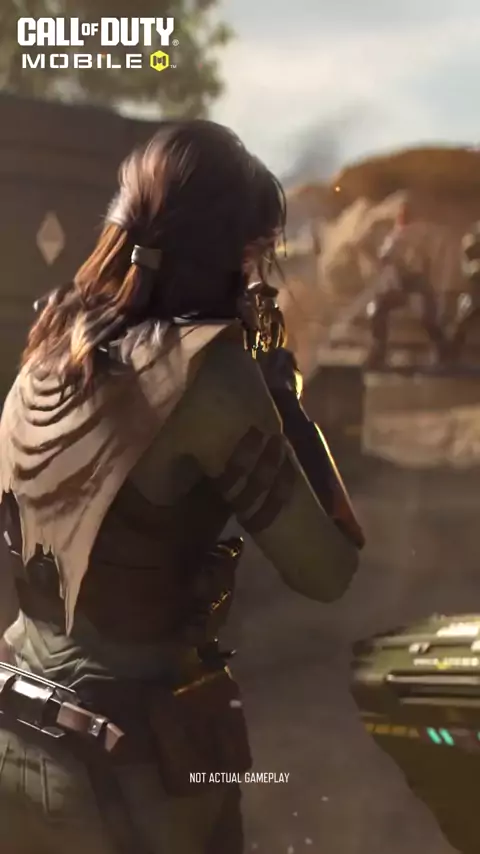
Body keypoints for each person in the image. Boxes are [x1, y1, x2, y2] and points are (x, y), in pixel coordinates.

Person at [0, 119, 363, 854]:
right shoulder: (211, 373)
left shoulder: (51, 343)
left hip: (16, 723)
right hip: (128, 769)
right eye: (255, 254)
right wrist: (285, 401)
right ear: (228, 253)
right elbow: (328, 569)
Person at [365, 200, 447, 368]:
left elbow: (385, 257)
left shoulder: (403, 234)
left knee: (381, 310)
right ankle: (441, 350)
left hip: (411, 282)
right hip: (409, 282)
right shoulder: (422, 232)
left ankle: (379, 351)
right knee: (381, 309)